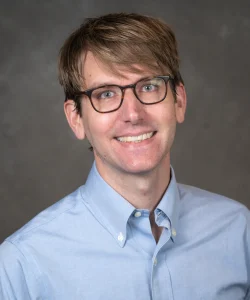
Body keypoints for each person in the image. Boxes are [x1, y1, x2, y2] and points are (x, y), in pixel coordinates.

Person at [0, 12, 249, 300]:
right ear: (76, 118)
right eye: (105, 94)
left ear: (179, 101)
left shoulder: (239, 232)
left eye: (149, 86)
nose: (133, 114)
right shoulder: (21, 267)